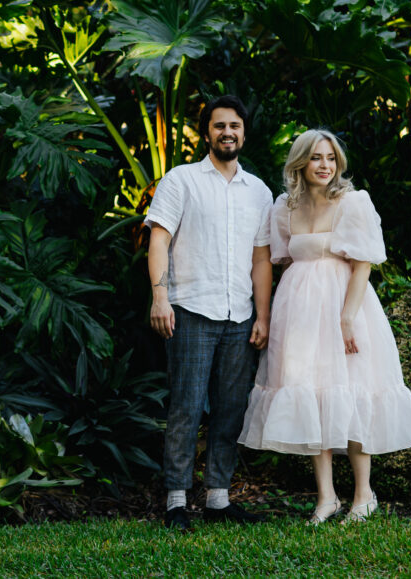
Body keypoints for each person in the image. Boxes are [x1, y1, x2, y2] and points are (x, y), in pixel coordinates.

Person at [238, 129, 411, 524]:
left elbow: (362, 263)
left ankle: (364, 494)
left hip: (347, 306)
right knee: (312, 395)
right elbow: (282, 260)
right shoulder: (284, 208)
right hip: (299, 311)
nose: (325, 165)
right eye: (315, 158)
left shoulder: (352, 202)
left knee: (353, 391)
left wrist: (347, 316)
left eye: (331, 158)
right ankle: (326, 497)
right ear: (300, 163)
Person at [145, 95, 274, 531]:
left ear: (243, 132)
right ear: (207, 133)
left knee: (231, 408)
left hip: (240, 316)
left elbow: (261, 259)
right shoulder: (181, 181)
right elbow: (158, 239)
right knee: (185, 407)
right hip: (191, 311)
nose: (228, 132)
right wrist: (159, 297)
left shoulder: (259, 191)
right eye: (220, 126)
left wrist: (263, 315)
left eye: (235, 126)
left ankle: (218, 499)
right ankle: (176, 501)